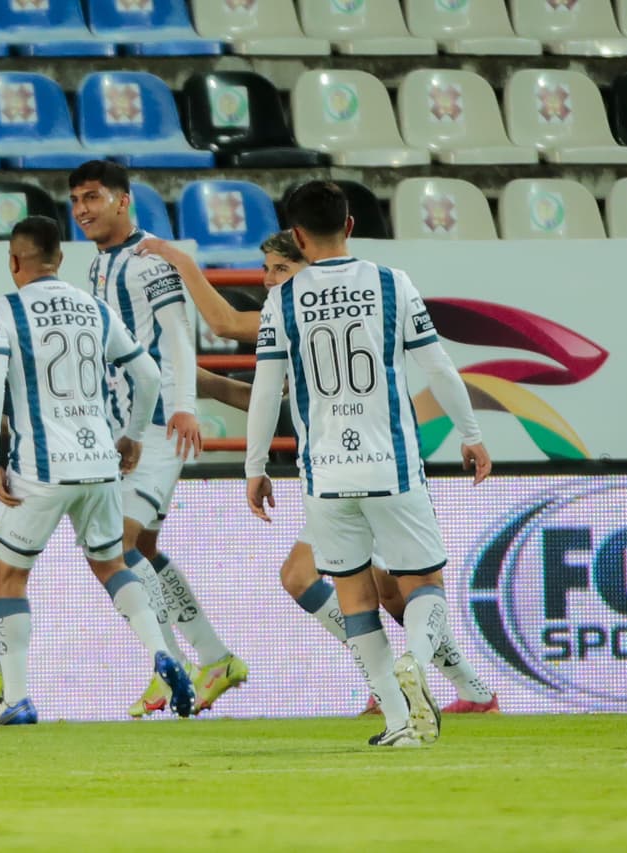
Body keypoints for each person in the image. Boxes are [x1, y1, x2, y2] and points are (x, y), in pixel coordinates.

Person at [140, 229, 498, 716]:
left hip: (353, 465)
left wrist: (179, 259)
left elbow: (223, 324)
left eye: (279, 270)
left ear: (308, 261)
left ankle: (411, 684)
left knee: (371, 584)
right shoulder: (335, 301)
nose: (269, 281)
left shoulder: (297, 305)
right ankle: (460, 689)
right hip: (356, 466)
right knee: (364, 585)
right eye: (265, 270)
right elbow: (266, 394)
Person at [244, 181, 492, 747]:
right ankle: (419, 664)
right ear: (351, 225)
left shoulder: (281, 300)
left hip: (325, 473)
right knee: (423, 581)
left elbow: (265, 391)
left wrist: (254, 468)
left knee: (354, 598)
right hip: (393, 465)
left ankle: (399, 721)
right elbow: (438, 367)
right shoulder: (391, 282)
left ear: (299, 237)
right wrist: (471, 434)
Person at [0, 217, 195, 725]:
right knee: (113, 564)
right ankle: (162, 652)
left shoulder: (3, 309)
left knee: (9, 576)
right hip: (100, 463)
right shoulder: (93, 306)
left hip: (41, 468)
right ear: (60, 260)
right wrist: (134, 435)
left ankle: (18, 700)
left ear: (14, 261)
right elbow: (147, 372)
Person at [68, 160, 247, 717]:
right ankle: (215, 658)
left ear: (124, 200)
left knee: (115, 547)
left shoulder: (150, 261)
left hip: (160, 424)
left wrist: (188, 406)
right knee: (140, 549)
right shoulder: (100, 265)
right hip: (127, 425)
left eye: (93, 197)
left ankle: (167, 667)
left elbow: (175, 337)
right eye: (76, 201)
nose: (83, 210)